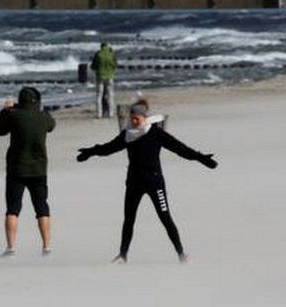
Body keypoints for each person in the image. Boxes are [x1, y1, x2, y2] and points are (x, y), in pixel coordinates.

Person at [76, 100, 218, 263]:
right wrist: (90, 152)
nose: (134, 122)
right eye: (132, 118)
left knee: (165, 218)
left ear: (145, 118)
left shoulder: (156, 134)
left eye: (137, 119)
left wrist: (201, 158)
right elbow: (108, 148)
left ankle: (181, 254)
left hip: (155, 183)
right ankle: (123, 255)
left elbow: (180, 149)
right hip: (134, 182)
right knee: (129, 219)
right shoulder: (128, 135)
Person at [0, 86, 56, 257]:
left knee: (13, 208)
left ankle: (11, 247)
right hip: (38, 169)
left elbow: (0, 131)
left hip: (16, 168)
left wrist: (6, 110)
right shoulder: (43, 117)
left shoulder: (14, 116)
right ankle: (46, 246)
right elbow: (51, 125)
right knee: (42, 207)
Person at [91, 42, 117, 119]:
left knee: (99, 95)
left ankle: (99, 114)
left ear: (101, 46)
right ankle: (111, 113)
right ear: (108, 46)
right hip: (110, 76)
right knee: (110, 95)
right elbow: (114, 65)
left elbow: (93, 66)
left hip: (100, 76)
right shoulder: (111, 54)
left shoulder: (98, 54)